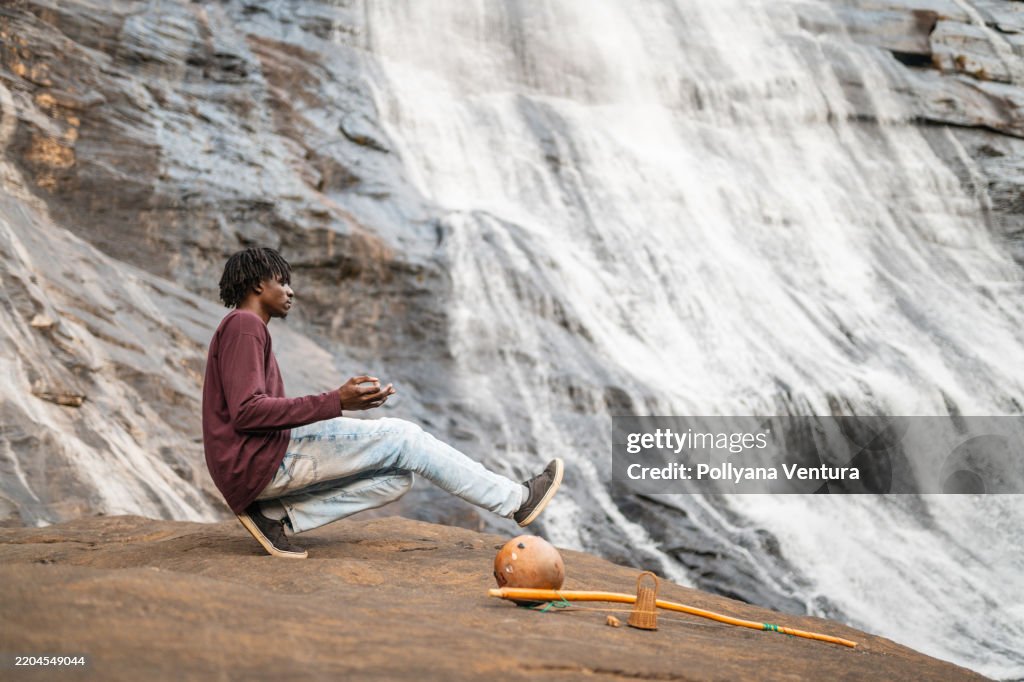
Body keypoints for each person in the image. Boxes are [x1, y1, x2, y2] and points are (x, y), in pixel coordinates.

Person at [202, 247, 563, 559]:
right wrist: (336, 400)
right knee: (404, 438)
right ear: (258, 285)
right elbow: (248, 411)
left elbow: (255, 409)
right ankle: (517, 501)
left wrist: (344, 403)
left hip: (257, 465)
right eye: (283, 282)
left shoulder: (246, 328)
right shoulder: (244, 325)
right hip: (258, 463)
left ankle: (274, 518)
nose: (291, 292)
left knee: (396, 478)